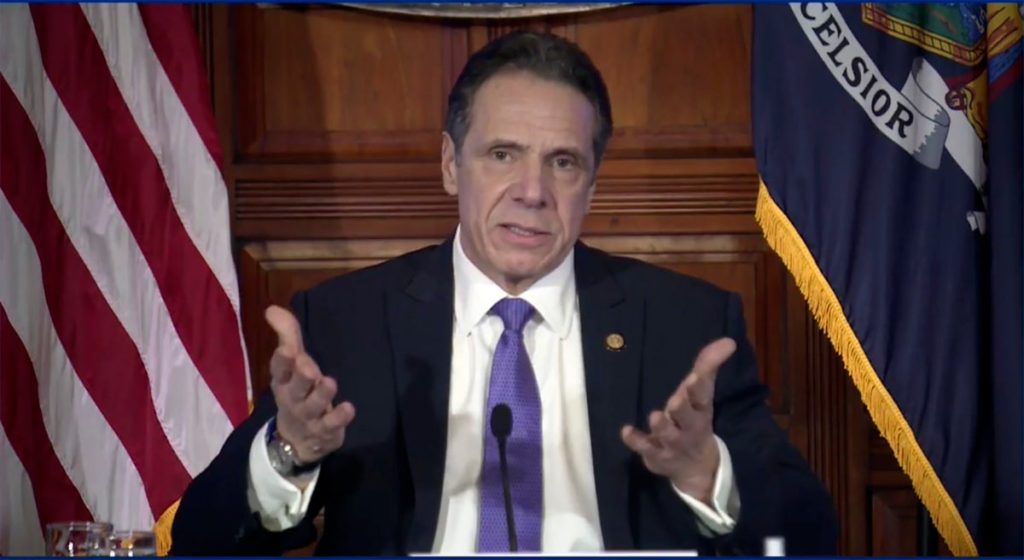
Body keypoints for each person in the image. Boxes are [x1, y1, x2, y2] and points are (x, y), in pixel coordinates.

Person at [171, 31, 838, 555]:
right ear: (449, 165)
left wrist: (705, 472)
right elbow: (202, 540)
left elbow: (808, 538)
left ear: (592, 185)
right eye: (502, 154)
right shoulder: (348, 322)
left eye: (563, 162)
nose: (532, 191)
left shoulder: (684, 325)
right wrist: (290, 451)